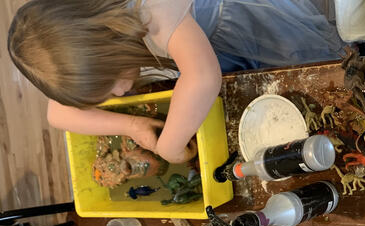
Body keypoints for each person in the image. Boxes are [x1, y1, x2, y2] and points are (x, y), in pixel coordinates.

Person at [8, 0, 345, 163]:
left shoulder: (151, 9)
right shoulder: (95, 27)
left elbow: (202, 78)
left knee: (321, 71)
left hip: (251, 29)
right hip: (209, 49)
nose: (119, 93)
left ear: (109, 43)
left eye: (112, 83)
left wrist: (168, 146)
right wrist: (133, 126)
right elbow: (58, 114)